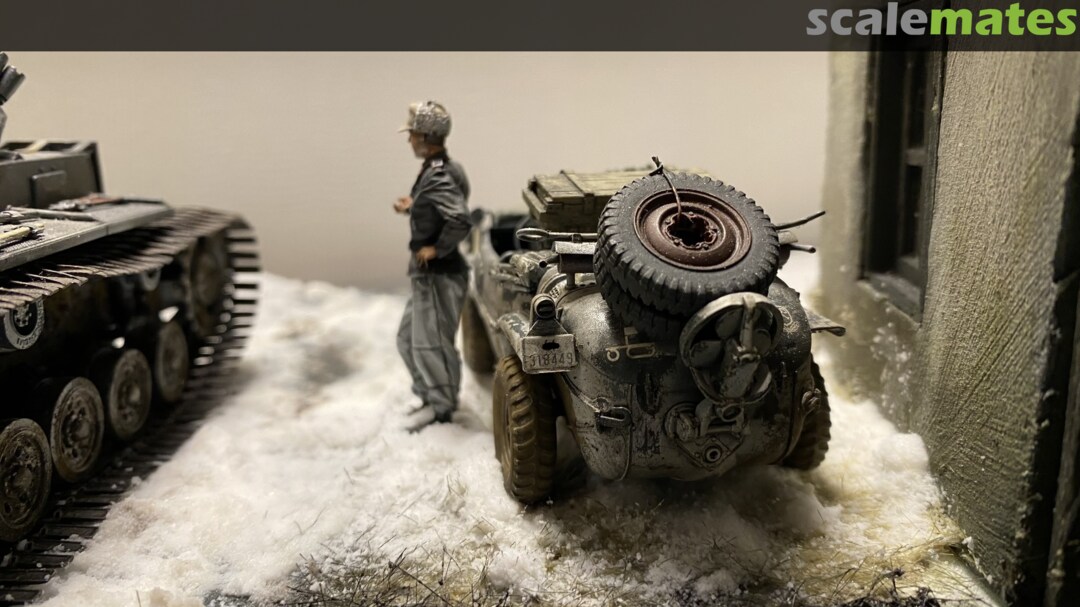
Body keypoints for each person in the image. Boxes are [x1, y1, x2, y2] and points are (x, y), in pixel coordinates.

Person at [393, 101, 471, 433]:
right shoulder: (440, 168)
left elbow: (460, 218)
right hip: (427, 276)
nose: (409, 139)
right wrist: (414, 205)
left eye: (413, 134)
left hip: (440, 274)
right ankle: (428, 397)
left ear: (426, 137)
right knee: (407, 339)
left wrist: (436, 249)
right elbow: (441, 204)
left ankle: (441, 409)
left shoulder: (438, 174)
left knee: (431, 344)